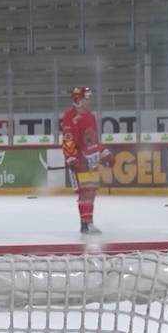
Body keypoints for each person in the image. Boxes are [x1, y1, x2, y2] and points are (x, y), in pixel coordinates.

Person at [61, 86, 115, 235]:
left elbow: (94, 140)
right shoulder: (69, 117)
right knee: (84, 192)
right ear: (78, 100)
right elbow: (68, 140)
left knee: (91, 192)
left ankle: (87, 223)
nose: (89, 101)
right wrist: (72, 158)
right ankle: (86, 224)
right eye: (87, 98)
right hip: (80, 160)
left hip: (91, 160)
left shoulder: (90, 116)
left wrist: (104, 152)